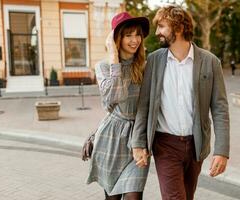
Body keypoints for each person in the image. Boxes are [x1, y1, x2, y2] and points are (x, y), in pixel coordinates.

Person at [131, 5, 230, 200]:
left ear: (178, 28)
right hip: (165, 145)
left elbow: (220, 109)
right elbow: (144, 105)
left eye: (161, 26)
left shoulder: (210, 62)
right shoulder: (154, 61)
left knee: (187, 196)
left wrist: (222, 151)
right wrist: (137, 143)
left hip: (197, 145)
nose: (157, 32)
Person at [84, 12, 150, 200]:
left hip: (137, 138)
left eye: (137, 34)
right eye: (128, 35)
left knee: (133, 196)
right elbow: (116, 96)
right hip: (111, 138)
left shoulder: (145, 66)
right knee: (112, 197)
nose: (135, 40)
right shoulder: (103, 67)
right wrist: (113, 56)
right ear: (116, 38)